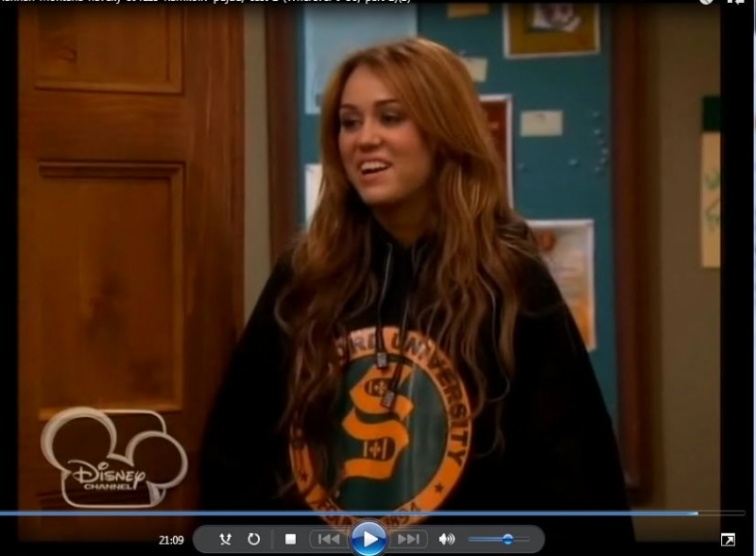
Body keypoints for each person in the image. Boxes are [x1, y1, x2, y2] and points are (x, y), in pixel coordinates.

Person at [199, 37, 635, 546]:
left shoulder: (509, 280)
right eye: (349, 122)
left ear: (443, 131)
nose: (364, 139)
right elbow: (239, 450)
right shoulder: (306, 275)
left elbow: (574, 475)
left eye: (390, 117)